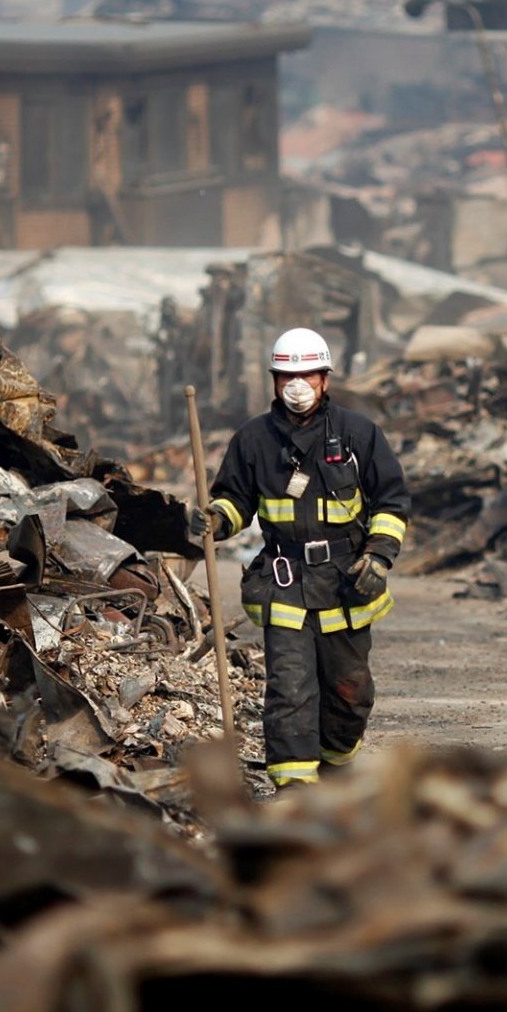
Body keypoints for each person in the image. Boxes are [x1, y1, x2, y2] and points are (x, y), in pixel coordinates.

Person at [191, 328, 411, 790]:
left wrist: (379, 557)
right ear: (273, 380)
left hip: (346, 582)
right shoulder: (253, 440)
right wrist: (215, 520)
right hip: (285, 582)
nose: (297, 384)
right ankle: (294, 794)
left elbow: (391, 501)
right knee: (289, 692)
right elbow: (234, 501)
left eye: (307, 374)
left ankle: (333, 772)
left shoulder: (358, 434)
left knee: (351, 696)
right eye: (288, 375)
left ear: (325, 378)